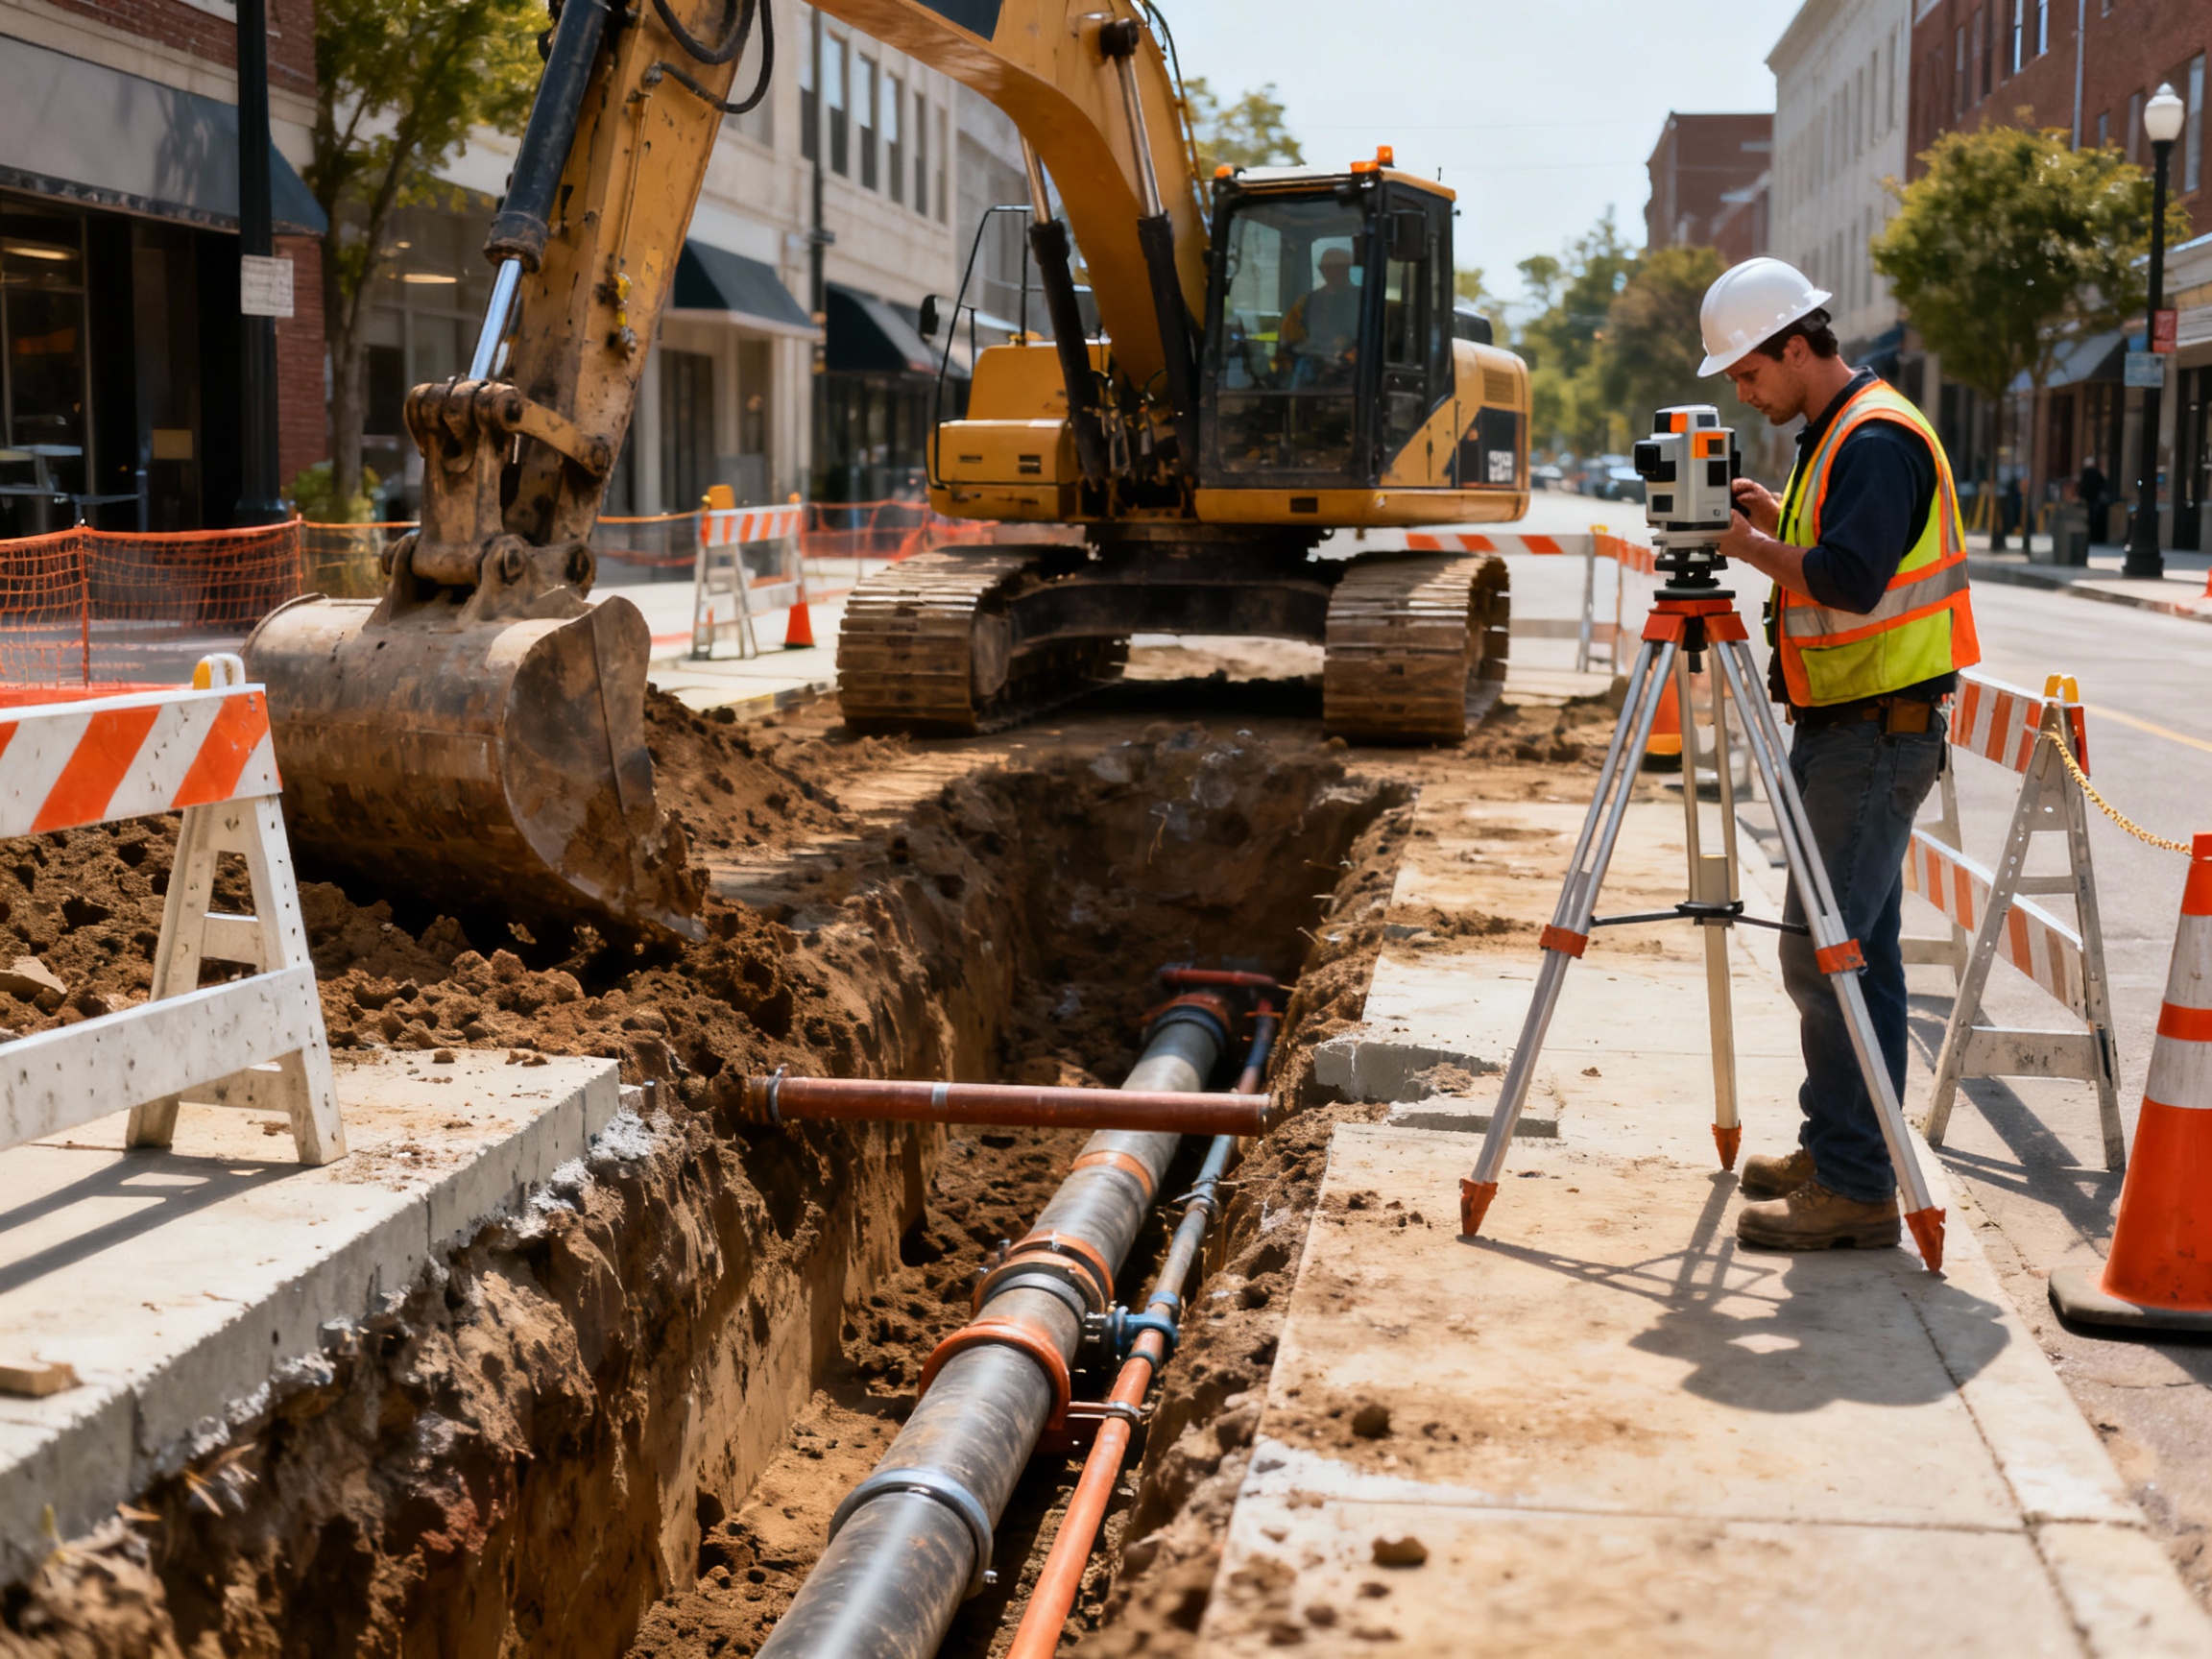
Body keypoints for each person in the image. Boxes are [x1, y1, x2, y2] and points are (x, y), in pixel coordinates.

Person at [1700, 256, 1981, 1252]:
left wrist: (1741, 546)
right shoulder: (1838, 433)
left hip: (1872, 735)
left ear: (1794, 346)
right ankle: (1845, 1149)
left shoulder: (1873, 439)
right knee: (1863, 958)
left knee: (1821, 957)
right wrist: (1776, 520)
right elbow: (1841, 550)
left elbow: (1852, 582)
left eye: (1746, 372)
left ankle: (1858, 1187)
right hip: (1852, 730)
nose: (1743, 390)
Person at [1278, 245, 1361, 383]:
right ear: (1322, 270)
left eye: (1339, 268)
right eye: (1329, 268)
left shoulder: (1363, 298)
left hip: (1351, 371)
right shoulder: (1306, 301)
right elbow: (1289, 336)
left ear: (1348, 269)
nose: (1334, 273)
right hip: (1313, 368)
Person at [2079, 455, 2109, 543]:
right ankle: (2093, 537)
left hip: (2087, 499)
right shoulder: (2097, 473)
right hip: (2094, 500)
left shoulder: (2085, 473)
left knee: (2087, 519)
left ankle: (2088, 536)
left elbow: (2082, 487)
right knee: (2093, 519)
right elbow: (2103, 486)